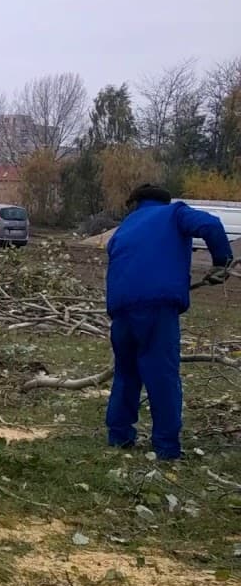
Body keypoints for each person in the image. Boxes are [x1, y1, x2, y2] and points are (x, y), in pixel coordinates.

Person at [105, 183, 233, 460]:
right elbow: (211, 225)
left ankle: (119, 436)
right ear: (164, 200)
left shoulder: (124, 228)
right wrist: (222, 262)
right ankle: (166, 448)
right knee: (162, 375)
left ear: (135, 203)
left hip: (121, 311)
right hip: (157, 308)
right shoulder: (175, 213)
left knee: (126, 374)